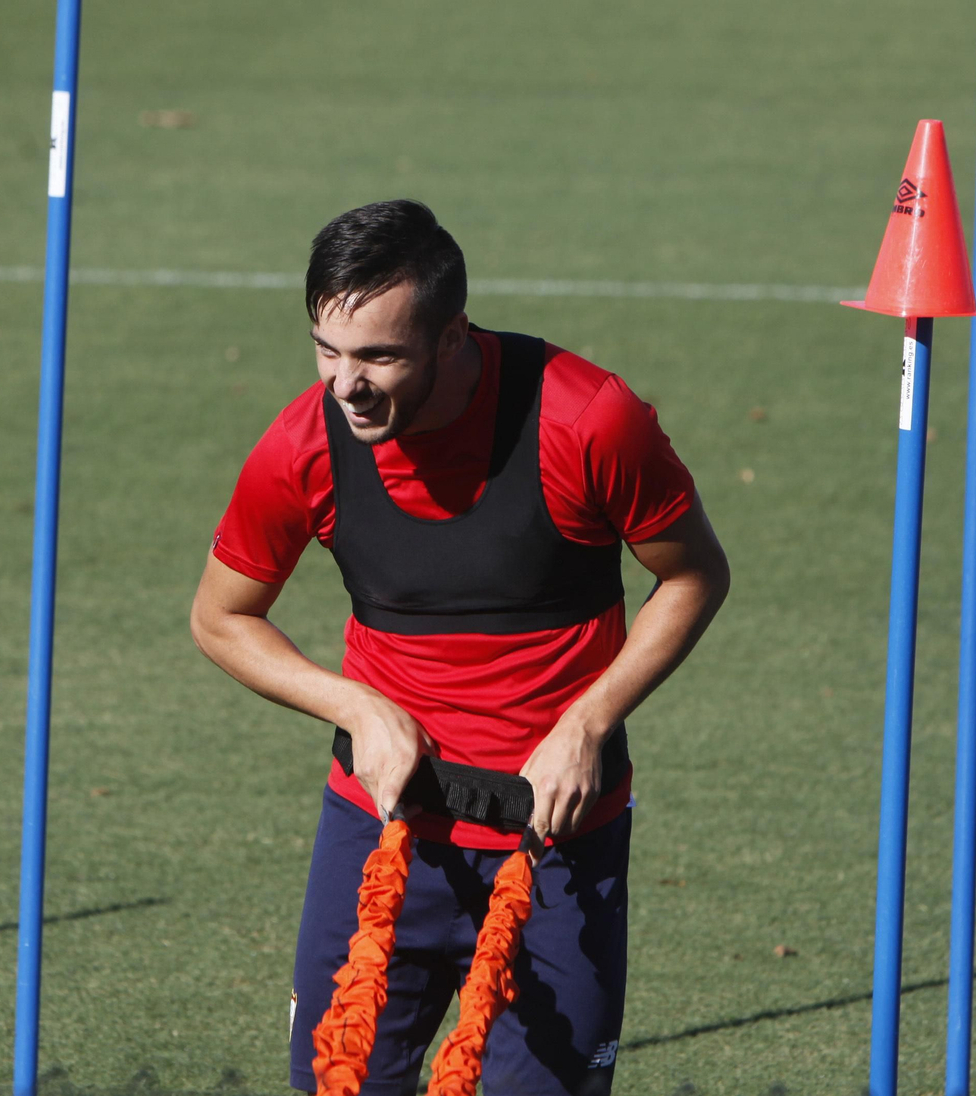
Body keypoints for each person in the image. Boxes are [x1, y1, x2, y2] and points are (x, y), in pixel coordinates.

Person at [190, 199, 729, 1096]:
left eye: (378, 356)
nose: (346, 385)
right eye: (327, 350)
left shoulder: (587, 420)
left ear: (452, 336)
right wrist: (356, 707)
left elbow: (694, 575)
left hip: (557, 847)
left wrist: (589, 722)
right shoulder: (305, 443)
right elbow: (221, 617)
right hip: (384, 833)